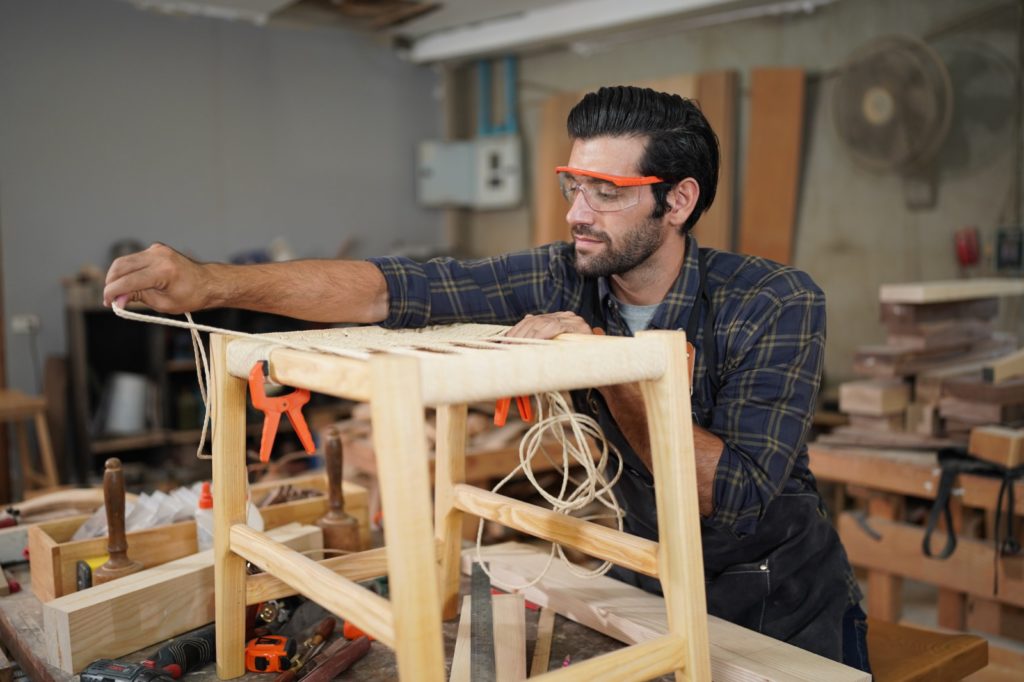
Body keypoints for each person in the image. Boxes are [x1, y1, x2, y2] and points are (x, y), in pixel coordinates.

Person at [104, 85, 869, 672]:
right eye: (574, 185)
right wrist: (214, 284)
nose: (577, 212)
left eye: (607, 192)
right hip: (650, 580)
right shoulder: (560, 274)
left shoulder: (776, 302)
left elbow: (723, 498)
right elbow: (391, 290)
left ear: (678, 201)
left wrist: (610, 365)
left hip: (780, 601)